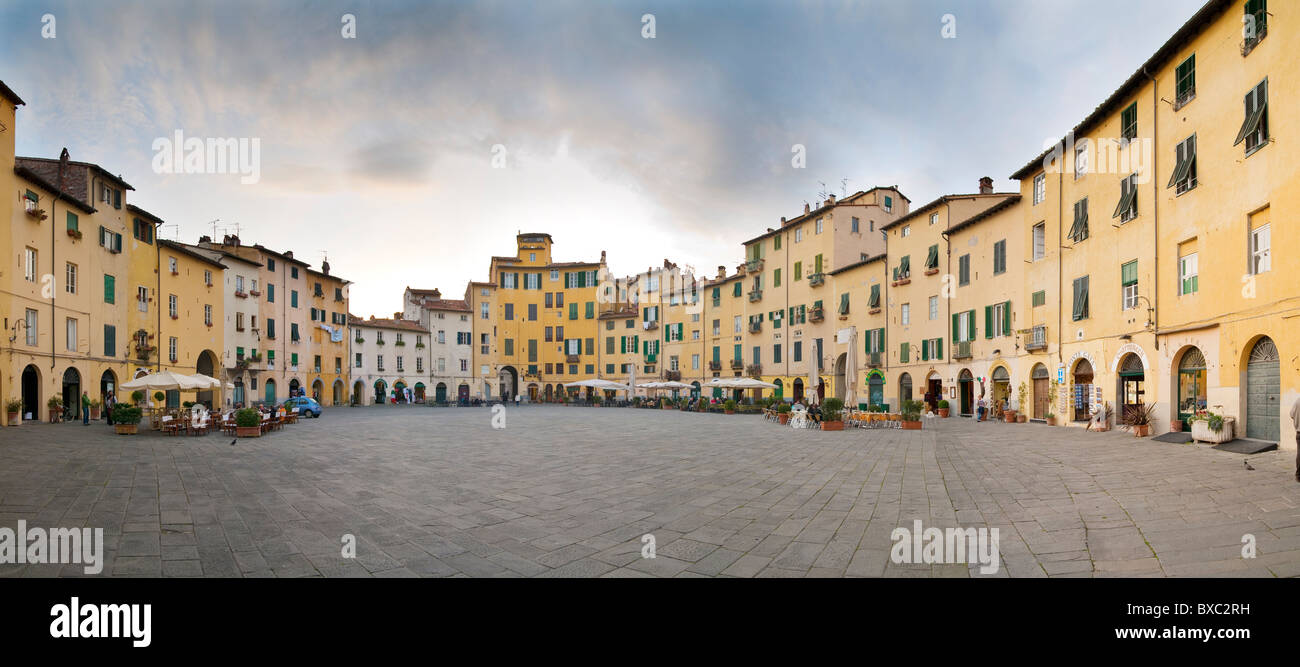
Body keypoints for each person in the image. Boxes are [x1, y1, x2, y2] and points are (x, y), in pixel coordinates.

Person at [1291, 396, 1300, 482]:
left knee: (1299, 454)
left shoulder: (1297, 400)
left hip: (1299, 433)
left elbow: (1291, 414)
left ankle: (1298, 475)